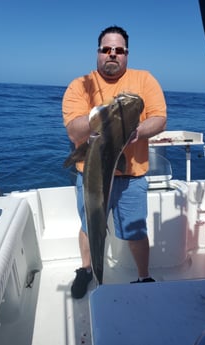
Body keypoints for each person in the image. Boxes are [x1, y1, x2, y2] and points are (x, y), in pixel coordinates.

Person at [62, 25, 167, 299]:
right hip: (91, 177)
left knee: (135, 229)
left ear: (126, 54)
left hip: (131, 176)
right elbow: (75, 132)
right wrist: (104, 117)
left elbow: (159, 118)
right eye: (106, 49)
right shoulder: (79, 85)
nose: (112, 54)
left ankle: (144, 276)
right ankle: (88, 270)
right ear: (98, 53)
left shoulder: (144, 79)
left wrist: (136, 132)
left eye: (119, 50)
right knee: (89, 226)